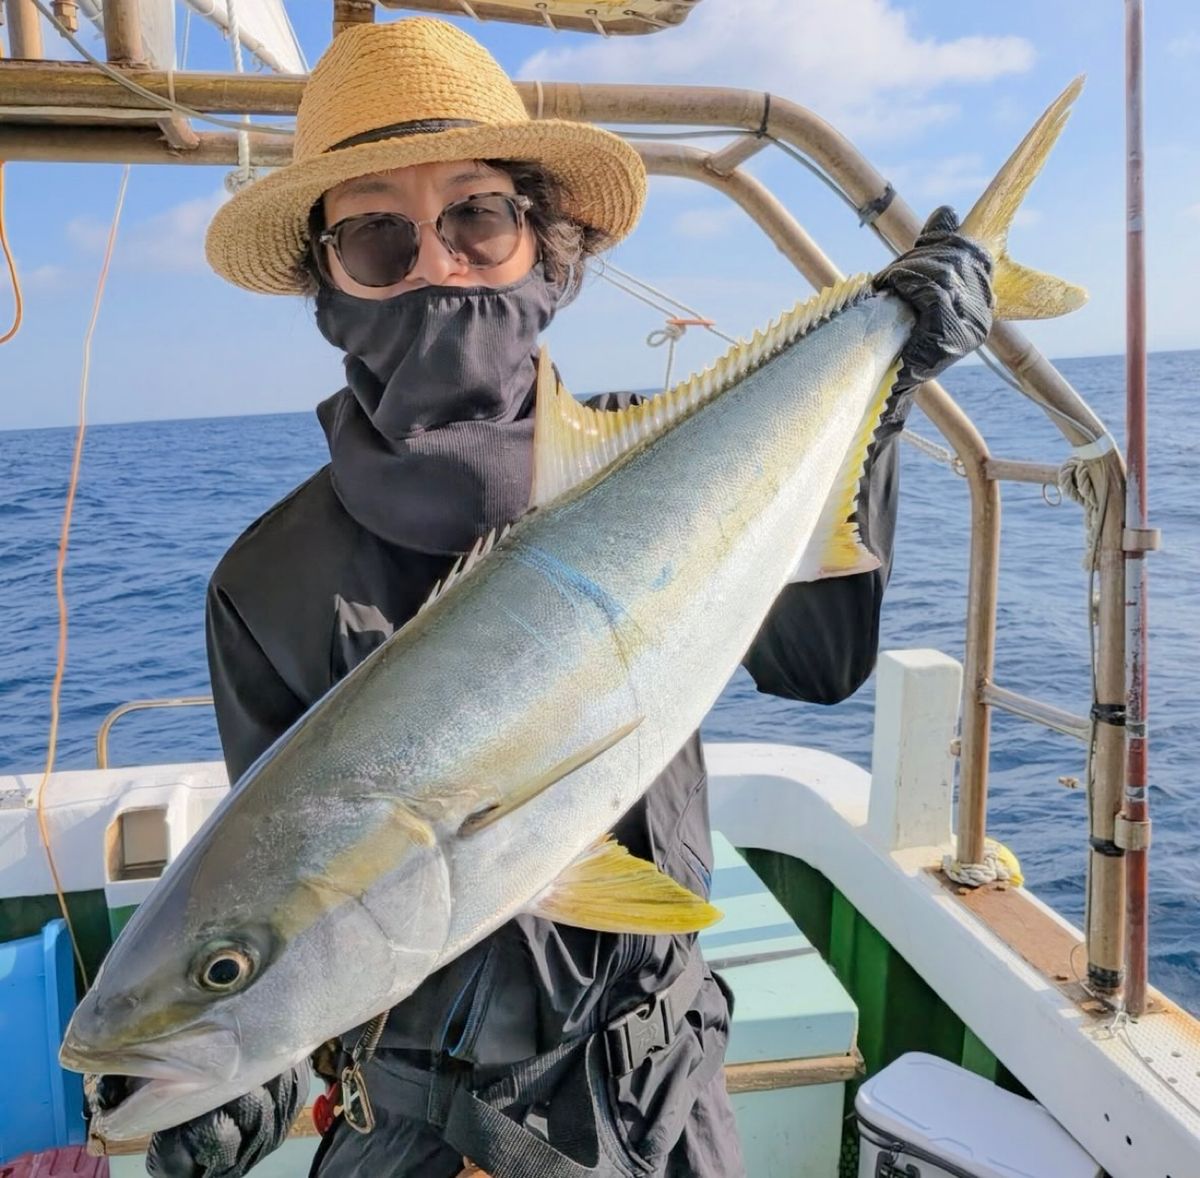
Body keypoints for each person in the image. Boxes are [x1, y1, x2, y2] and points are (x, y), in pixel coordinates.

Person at [95, 16, 993, 1178]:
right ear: (330, 285)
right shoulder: (264, 583)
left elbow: (819, 661)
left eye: (477, 216)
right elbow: (285, 889)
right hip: (411, 1126)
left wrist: (889, 383)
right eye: (378, 235)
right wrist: (246, 1065)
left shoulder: (665, 457)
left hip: (661, 1091)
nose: (437, 263)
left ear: (542, 246)